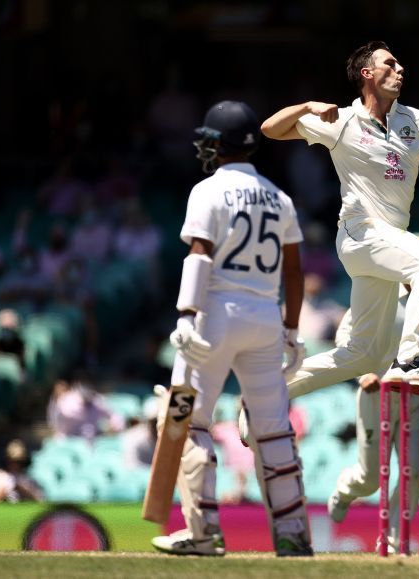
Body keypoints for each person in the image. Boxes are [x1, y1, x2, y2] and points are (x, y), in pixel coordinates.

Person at [261, 40, 419, 399]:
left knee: (362, 355)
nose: (400, 70)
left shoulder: (417, 121)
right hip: (361, 233)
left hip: (390, 242)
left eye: (401, 65)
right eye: (390, 64)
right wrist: (308, 106)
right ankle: (410, 363)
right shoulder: (340, 121)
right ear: (367, 74)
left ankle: (269, 392)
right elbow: (270, 129)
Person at [150, 100, 312, 557]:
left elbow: (199, 254)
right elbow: (294, 271)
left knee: (186, 417)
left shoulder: (207, 190)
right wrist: (293, 331)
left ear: (219, 143)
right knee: (273, 430)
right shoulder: (280, 197)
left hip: (214, 316)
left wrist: (186, 313)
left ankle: (203, 534)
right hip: (265, 317)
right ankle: (293, 535)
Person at [326, 281, 419, 552]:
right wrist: (362, 374)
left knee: (415, 471)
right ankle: (346, 489)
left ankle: (393, 541)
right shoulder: (377, 296)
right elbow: (345, 336)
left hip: (416, 399)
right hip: (376, 393)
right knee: (370, 480)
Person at [47, 377, 125, 441]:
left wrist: (114, 425)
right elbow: (57, 420)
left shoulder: (97, 401)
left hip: (91, 440)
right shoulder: (67, 401)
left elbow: (115, 415)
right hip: (68, 439)